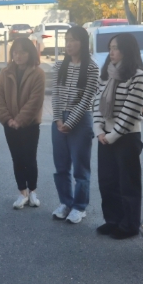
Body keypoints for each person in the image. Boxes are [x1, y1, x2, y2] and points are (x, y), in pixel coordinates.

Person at [92, 33, 143, 239]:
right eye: (110, 47)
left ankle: (129, 225)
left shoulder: (137, 76)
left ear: (127, 49)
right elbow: (97, 103)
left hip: (127, 137)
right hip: (105, 136)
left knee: (127, 183)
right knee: (107, 181)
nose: (111, 52)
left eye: (115, 47)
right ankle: (112, 220)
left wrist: (113, 135)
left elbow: (131, 110)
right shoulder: (106, 74)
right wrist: (99, 130)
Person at [51, 26, 99, 224]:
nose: (69, 44)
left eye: (73, 40)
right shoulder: (59, 66)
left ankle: (79, 207)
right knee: (61, 166)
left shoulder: (91, 68)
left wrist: (70, 122)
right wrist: (58, 120)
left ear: (83, 43)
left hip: (80, 120)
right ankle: (65, 202)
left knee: (80, 168)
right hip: (59, 119)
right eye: (67, 40)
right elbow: (55, 94)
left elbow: (87, 99)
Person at [0, 37, 46, 210]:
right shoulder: (5, 72)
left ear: (30, 53)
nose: (18, 56)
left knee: (30, 158)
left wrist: (20, 120)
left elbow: (35, 101)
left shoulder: (38, 73)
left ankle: (33, 191)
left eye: (22, 52)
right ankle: (22, 192)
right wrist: (7, 119)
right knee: (16, 158)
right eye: (15, 52)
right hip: (9, 124)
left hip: (30, 124)